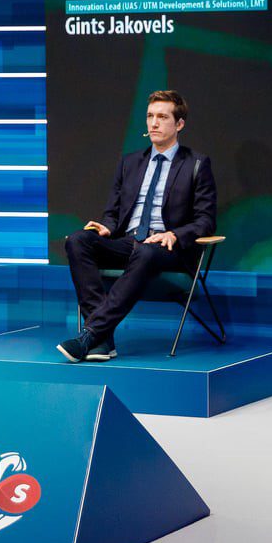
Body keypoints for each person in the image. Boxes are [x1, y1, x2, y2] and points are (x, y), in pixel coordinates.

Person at [57, 89, 217, 363]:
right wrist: (107, 227)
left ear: (179, 124)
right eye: (150, 116)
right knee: (77, 240)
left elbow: (206, 220)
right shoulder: (130, 162)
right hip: (128, 241)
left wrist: (174, 234)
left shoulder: (196, 164)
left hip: (166, 247)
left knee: (145, 251)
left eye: (162, 117)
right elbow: (113, 212)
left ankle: (90, 335)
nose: (154, 123)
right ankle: (102, 338)